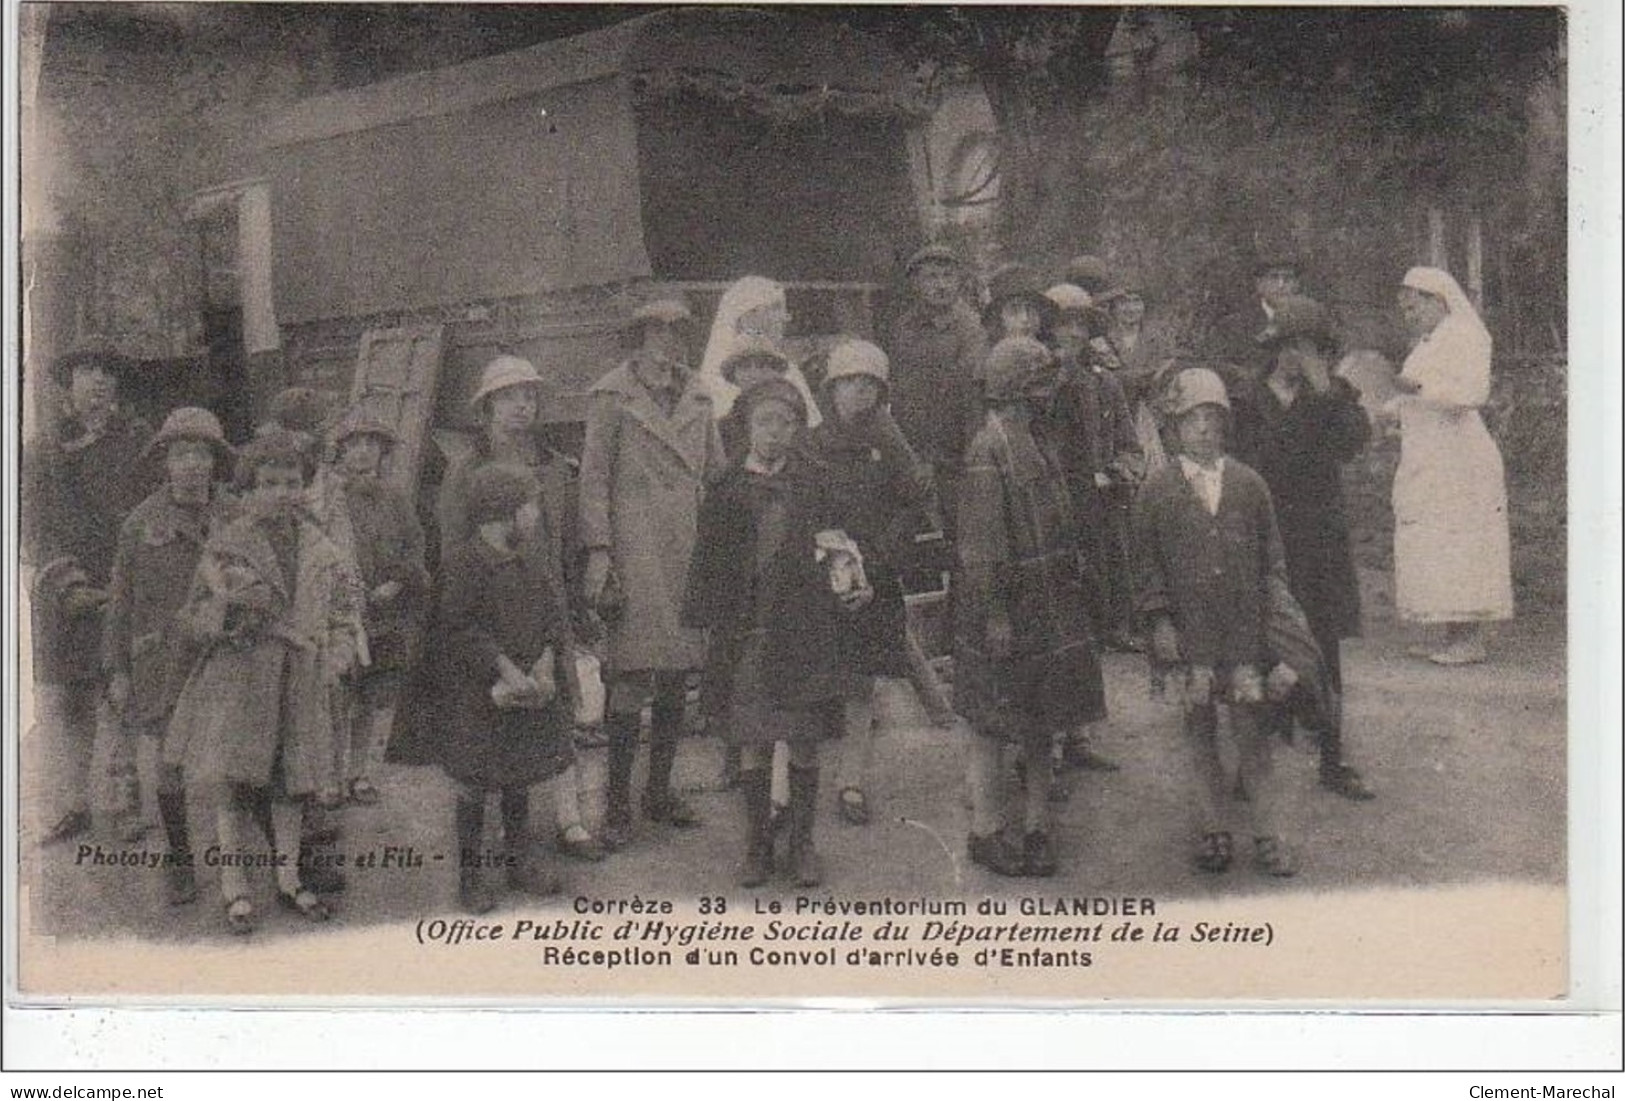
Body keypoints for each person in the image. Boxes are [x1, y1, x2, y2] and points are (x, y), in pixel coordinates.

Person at [163, 431, 366, 933]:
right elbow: (192, 616)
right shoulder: (227, 545)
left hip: (302, 681)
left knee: (291, 788)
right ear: (248, 491)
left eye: (292, 482)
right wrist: (229, 613)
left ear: (306, 487)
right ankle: (235, 889)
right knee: (234, 785)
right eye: (269, 483)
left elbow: (343, 612)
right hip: (242, 682)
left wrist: (338, 654)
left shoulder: (321, 546)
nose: (282, 492)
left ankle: (290, 878)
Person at [683, 378, 865, 888]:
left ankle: (803, 845)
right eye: (764, 422)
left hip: (803, 631)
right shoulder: (724, 490)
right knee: (755, 743)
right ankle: (758, 847)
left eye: (786, 423)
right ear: (745, 428)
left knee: (804, 742)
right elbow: (708, 565)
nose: (775, 433)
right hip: (748, 635)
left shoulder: (814, 482)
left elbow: (838, 545)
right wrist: (706, 628)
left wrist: (850, 583)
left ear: (796, 428)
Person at [1133, 368, 1301, 878]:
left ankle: (1269, 834)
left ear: (1225, 425)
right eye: (1192, 421)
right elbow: (1144, 566)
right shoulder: (1157, 490)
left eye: (1212, 419)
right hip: (1192, 635)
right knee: (1200, 732)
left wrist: (1279, 626)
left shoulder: (1249, 485)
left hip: (1245, 633)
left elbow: (1273, 561)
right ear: (1174, 428)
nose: (1203, 430)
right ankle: (1214, 830)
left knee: (1253, 735)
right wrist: (1160, 622)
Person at [434, 355, 602, 859]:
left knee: (559, 705)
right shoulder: (467, 470)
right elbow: (453, 549)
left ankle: (570, 822)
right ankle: (499, 838)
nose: (521, 407)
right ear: (486, 408)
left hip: (545, 605)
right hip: (489, 616)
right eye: (509, 398)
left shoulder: (552, 465)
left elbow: (564, 539)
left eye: (529, 396)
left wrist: (572, 601)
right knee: (495, 721)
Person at [954, 337, 1103, 878]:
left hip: (1051, 600)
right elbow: (982, 545)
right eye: (1041, 385)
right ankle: (986, 830)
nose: (1051, 394)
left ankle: (1039, 827)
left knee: (1044, 720)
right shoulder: (987, 450)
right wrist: (994, 612)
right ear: (1016, 393)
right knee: (991, 724)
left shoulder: (1042, 441)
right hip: (1007, 606)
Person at [580, 298, 725, 849]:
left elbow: (715, 472)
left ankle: (658, 793)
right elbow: (593, 479)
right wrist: (599, 550)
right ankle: (617, 803)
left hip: (685, 546)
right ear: (637, 337)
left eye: (677, 331)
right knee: (631, 674)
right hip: (634, 549)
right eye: (657, 331)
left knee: (676, 671)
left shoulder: (698, 394)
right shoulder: (612, 397)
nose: (668, 340)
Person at [1231, 296, 1376, 801]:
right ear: (1274, 348)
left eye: (1310, 347)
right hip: (1267, 540)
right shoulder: (1247, 402)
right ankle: (1252, 763)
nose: (1299, 356)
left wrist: (1326, 393)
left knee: (1323, 648)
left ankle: (1332, 760)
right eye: (1291, 345)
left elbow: (1353, 444)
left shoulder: (1334, 398)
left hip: (1319, 543)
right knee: (1262, 648)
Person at [799, 339, 939, 826]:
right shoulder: (810, 444)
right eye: (851, 383)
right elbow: (801, 510)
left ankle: (851, 782)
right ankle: (791, 786)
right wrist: (827, 554)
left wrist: (878, 560)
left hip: (873, 577)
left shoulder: (887, 444)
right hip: (821, 577)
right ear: (831, 388)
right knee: (813, 679)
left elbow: (913, 499)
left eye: (870, 385)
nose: (860, 392)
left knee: (862, 683)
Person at [102, 408, 239, 904]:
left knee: (236, 757)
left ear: (215, 462)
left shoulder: (236, 515)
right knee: (167, 763)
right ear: (165, 461)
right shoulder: (140, 525)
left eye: (201, 454)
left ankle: (244, 867)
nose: (192, 465)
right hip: (160, 661)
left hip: (225, 655)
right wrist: (117, 669)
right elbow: (120, 603)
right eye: (181, 454)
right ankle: (181, 861)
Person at [431, 463, 578, 914]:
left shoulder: (531, 562)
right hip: (480, 694)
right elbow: (460, 629)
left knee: (519, 775)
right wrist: (506, 671)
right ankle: (470, 878)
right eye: (530, 507)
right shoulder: (464, 563)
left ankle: (519, 862)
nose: (536, 516)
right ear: (502, 514)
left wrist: (546, 664)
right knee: (474, 784)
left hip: (527, 686)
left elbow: (553, 617)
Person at [25, 349, 154, 845]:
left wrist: (132, 579)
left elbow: (152, 511)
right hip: (65, 592)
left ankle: (125, 805)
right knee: (70, 702)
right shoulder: (43, 449)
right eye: (87, 372)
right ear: (67, 385)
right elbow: (32, 525)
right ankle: (72, 804)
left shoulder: (139, 441)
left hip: (124, 583)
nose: (98, 382)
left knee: (121, 696)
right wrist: (67, 582)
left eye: (108, 373)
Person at [1038, 283, 1141, 772]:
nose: (1073, 334)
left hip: (1095, 517)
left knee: (1087, 628)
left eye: (1081, 325)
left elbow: (1130, 444)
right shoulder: (1038, 382)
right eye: (1063, 325)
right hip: (1047, 520)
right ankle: (1046, 744)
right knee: (1049, 628)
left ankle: (1076, 734)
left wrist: (1122, 467)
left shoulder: (1107, 384)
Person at [1389, 267, 1513, 666]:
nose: (1409, 316)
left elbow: (1473, 392)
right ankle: (1448, 632)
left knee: (1461, 541)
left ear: (1437, 300)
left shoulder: (1468, 336)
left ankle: (1470, 638)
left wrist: (1418, 389)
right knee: (1433, 540)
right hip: (1429, 456)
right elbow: (1412, 396)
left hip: (1460, 459)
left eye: (1414, 307)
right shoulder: (1428, 343)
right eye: (1404, 310)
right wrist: (1391, 407)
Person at [324, 411, 430, 805]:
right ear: (342, 453)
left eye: (371, 444)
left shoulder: (396, 498)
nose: (363, 452)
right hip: (344, 615)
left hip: (387, 614)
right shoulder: (332, 501)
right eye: (354, 444)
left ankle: (364, 774)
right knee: (339, 695)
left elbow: (414, 547)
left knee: (377, 696)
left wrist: (397, 582)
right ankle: (332, 775)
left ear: (383, 452)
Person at [883, 244, 988, 537]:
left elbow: (965, 398)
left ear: (959, 281)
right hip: (914, 456)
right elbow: (901, 395)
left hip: (958, 456)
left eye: (947, 276)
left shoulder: (972, 328)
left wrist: (945, 458)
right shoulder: (903, 329)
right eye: (931, 277)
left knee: (964, 535)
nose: (941, 285)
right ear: (916, 283)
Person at [694, 275, 821, 429]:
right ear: (747, 316)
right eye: (775, 308)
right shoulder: (714, 381)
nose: (785, 318)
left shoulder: (791, 371)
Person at [1091, 281, 1177, 475]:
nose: (1131, 308)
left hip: (1154, 416)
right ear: (1113, 307)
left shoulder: (1160, 339)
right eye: (1124, 302)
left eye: (1136, 301)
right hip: (1117, 417)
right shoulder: (1103, 341)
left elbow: (1165, 376)